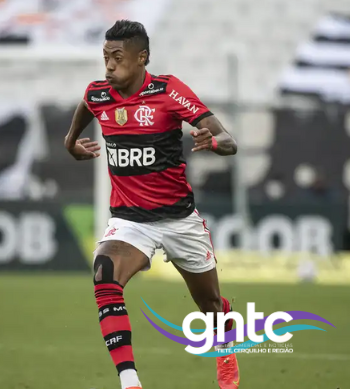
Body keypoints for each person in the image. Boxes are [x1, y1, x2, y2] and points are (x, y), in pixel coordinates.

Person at [64, 20, 239, 389]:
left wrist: (214, 142)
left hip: (179, 219)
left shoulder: (168, 91)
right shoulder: (98, 94)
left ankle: (225, 344)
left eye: (117, 57)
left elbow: (228, 140)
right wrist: (70, 142)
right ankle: (130, 382)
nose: (109, 66)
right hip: (131, 221)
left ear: (141, 57)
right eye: (105, 58)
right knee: (104, 275)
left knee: (210, 305)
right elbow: (85, 107)